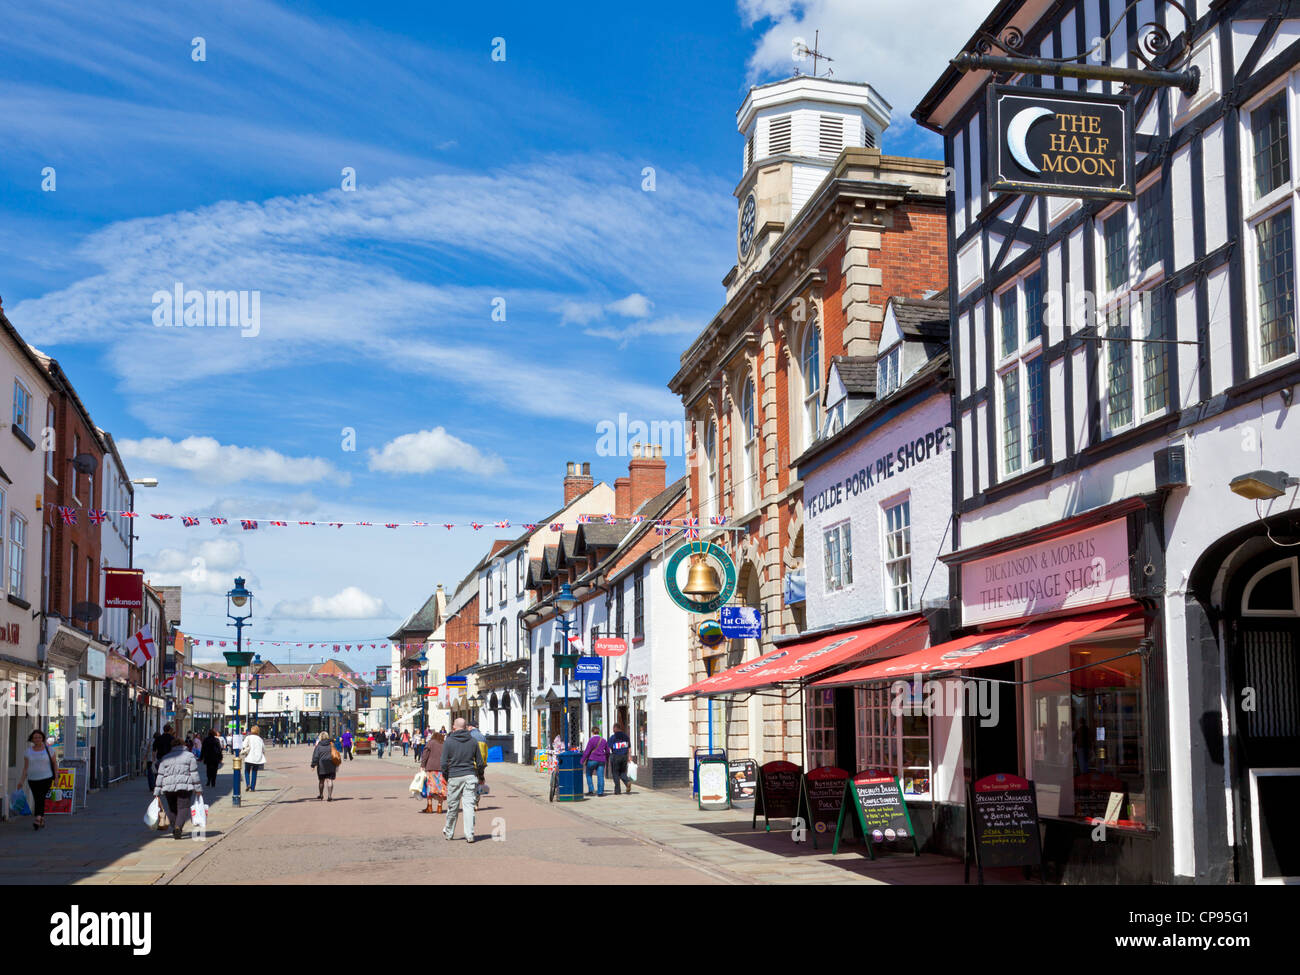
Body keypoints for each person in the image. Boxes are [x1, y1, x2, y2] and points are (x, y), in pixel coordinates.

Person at [440, 718, 485, 842]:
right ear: (466, 727)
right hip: (470, 775)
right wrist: (480, 776)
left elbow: (443, 763)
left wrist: (446, 776)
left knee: (452, 806)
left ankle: (449, 833)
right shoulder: (473, 741)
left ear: (454, 727)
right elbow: (480, 763)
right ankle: (469, 834)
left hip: (454, 776)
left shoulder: (448, 741)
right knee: (469, 806)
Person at [154, 730, 202, 840]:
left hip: (168, 787)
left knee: (172, 808)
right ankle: (178, 827)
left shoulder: (166, 757)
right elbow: (194, 773)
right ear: (183, 745)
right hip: (184, 786)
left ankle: (175, 826)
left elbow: (160, 775)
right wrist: (198, 789)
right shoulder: (190, 756)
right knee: (183, 807)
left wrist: (157, 791)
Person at [16, 730, 58, 830]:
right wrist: (21, 781)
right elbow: (25, 768)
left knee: (40, 797)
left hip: (46, 778)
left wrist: (56, 778)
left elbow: (55, 764)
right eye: (35, 738)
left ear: (43, 738)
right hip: (32, 779)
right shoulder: (28, 751)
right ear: (32, 739)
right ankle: (42, 818)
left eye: (39, 737)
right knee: (38, 797)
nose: (37, 739)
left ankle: (38, 818)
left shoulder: (49, 750)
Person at [419, 731, 447, 814]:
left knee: (430, 787)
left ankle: (429, 807)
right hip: (441, 768)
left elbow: (425, 755)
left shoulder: (430, 743)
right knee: (441, 788)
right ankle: (439, 807)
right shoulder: (444, 744)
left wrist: (422, 765)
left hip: (431, 767)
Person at [581, 727, 609, 797]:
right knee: (601, 776)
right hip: (601, 760)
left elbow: (587, 751)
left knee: (588, 774)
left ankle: (591, 790)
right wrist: (606, 758)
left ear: (592, 732)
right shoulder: (604, 740)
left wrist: (582, 761)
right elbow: (608, 751)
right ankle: (600, 792)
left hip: (592, 759)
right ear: (599, 732)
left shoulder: (591, 740)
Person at [310, 732, 339, 800]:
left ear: (320, 737)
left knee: (321, 781)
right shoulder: (331, 744)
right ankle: (329, 796)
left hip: (321, 765)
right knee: (329, 780)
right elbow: (335, 754)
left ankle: (321, 795)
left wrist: (313, 765)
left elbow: (316, 756)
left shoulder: (318, 746)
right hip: (331, 764)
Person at [607, 723, 633, 795]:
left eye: (613, 728)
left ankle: (617, 791)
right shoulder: (626, 737)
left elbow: (608, 748)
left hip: (616, 756)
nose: (613, 730)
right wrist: (629, 756)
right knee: (622, 772)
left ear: (615, 728)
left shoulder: (613, 737)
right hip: (624, 756)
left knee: (615, 773)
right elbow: (629, 747)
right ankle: (627, 781)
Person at [241, 725, 267, 791]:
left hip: (249, 757)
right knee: (254, 772)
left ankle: (247, 784)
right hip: (257, 758)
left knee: (247, 771)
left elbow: (244, 745)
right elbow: (263, 749)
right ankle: (253, 788)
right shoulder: (260, 739)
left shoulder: (248, 737)